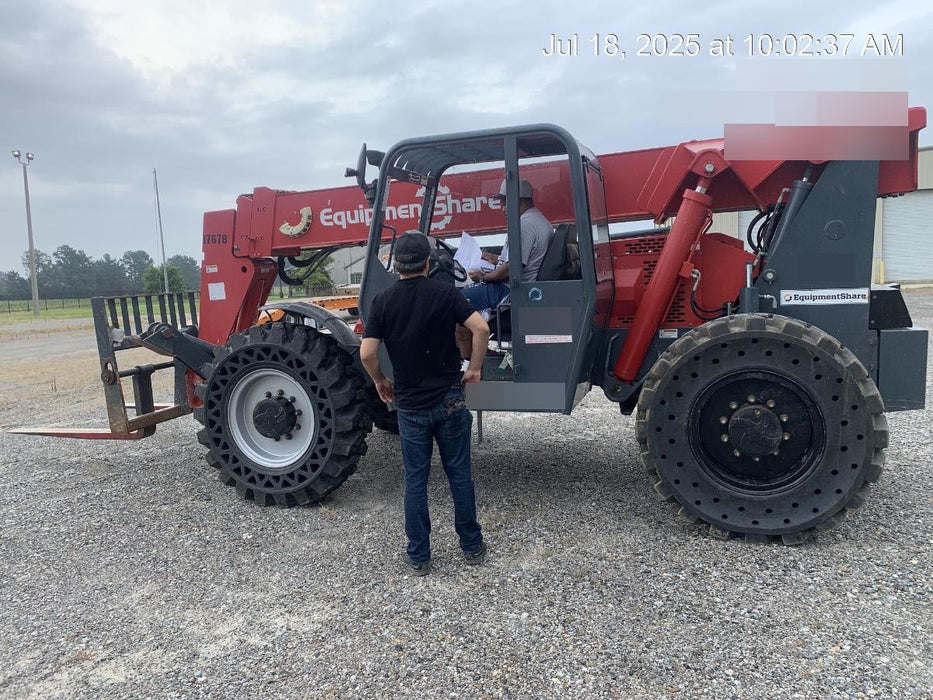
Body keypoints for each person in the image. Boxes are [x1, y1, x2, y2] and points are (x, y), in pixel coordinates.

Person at [360, 231, 491, 576]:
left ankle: (419, 556)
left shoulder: (383, 301)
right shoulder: (446, 293)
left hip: (411, 406)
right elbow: (480, 329)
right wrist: (474, 369)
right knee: (459, 475)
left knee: (415, 480)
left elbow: (367, 352)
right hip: (449, 399)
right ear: (428, 261)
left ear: (396, 264)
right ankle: (472, 547)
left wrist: (380, 381)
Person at [457, 178, 553, 359]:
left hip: (510, 291)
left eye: (504, 202)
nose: (501, 208)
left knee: (456, 303)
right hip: (519, 286)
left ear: (518, 200)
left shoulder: (523, 226)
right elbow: (520, 260)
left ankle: (469, 365)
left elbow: (510, 270)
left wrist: (482, 277)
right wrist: (495, 259)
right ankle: (481, 357)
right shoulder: (539, 221)